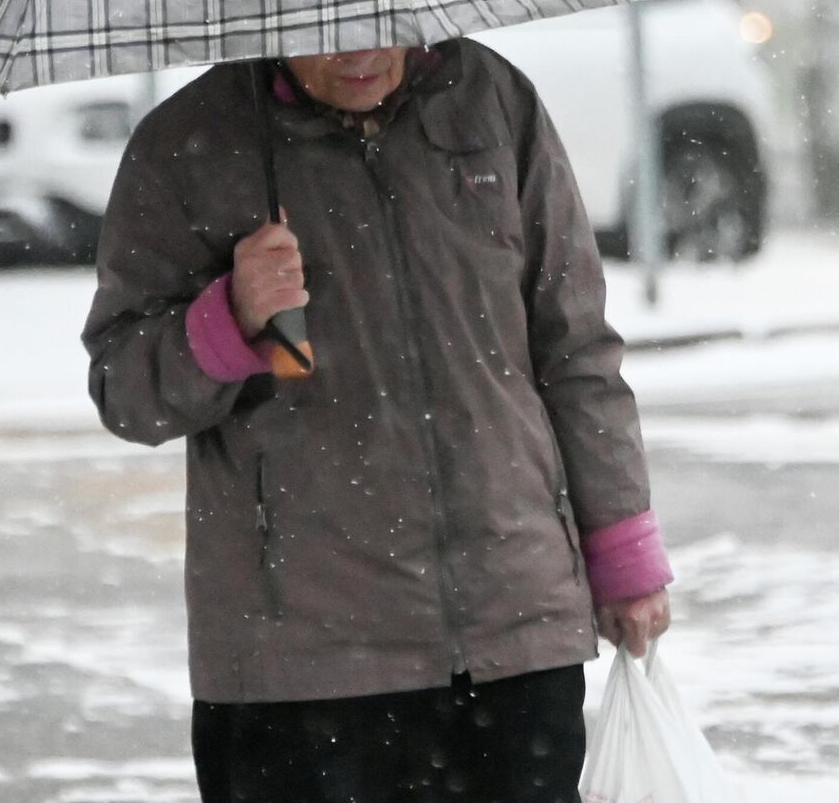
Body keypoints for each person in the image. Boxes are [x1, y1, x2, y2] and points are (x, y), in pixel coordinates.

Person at [83, 39, 673, 802]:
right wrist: (228, 317)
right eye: (325, 34)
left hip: (512, 631)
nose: (360, 51)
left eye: (381, 21)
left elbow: (575, 346)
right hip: (303, 663)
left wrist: (621, 550)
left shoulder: (491, 101)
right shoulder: (191, 144)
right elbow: (124, 386)